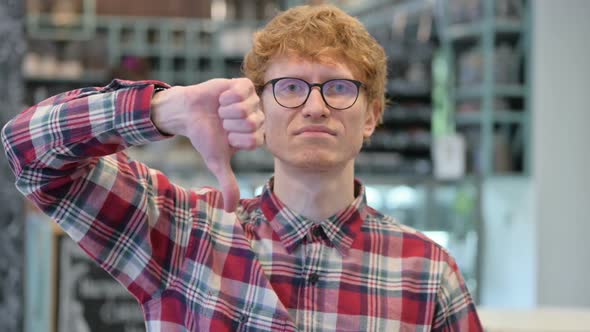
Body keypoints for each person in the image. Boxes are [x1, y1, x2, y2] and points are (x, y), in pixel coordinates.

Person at [2, 4, 482, 332]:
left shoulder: (426, 273)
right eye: (291, 88)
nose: (315, 107)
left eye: (338, 87)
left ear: (371, 115)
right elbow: (28, 149)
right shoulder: (184, 233)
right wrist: (164, 110)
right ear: (260, 111)